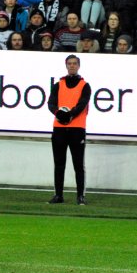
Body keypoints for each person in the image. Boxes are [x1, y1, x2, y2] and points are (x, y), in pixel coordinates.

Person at [47, 54, 91, 205]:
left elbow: (82, 104)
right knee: (59, 163)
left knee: (78, 164)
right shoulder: (58, 84)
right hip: (59, 128)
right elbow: (51, 103)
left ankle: (80, 196)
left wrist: (69, 115)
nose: (72, 66)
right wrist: (59, 113)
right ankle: (58, 195)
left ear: (78, 66)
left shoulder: (84, 85)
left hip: (77, 128)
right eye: (69, 63)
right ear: (66, 65)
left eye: (74, 63)